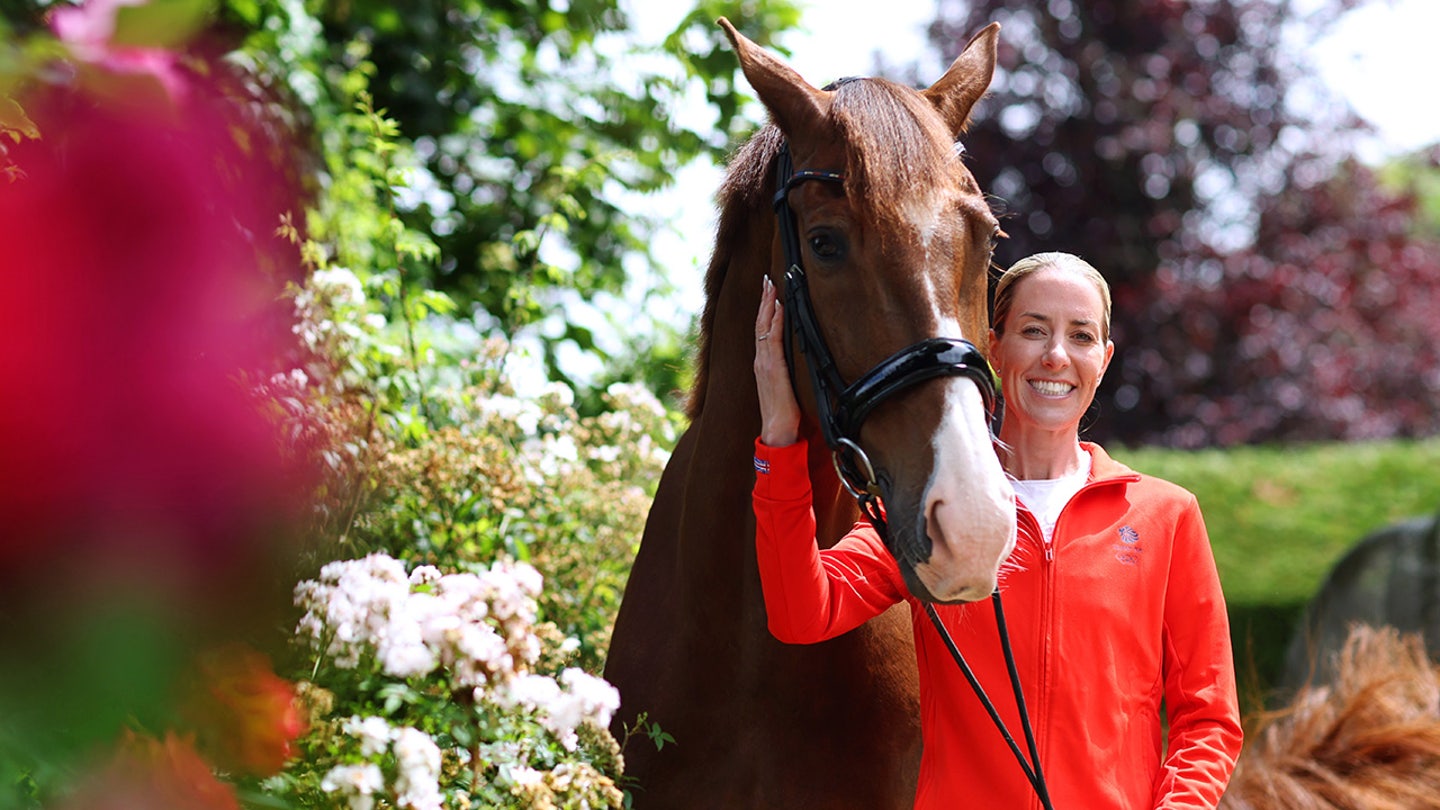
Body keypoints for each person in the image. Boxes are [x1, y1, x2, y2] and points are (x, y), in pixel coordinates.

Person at [751, 253, 1243, 809]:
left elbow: (1208, 716)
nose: (1056, 356)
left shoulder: (1166, 516)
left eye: (1080, 337)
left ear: (1102, 360)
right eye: (1033, 331)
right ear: (994, 347)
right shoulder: (930, 509)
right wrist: (779, 441)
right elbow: (799, 612)